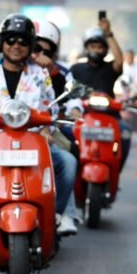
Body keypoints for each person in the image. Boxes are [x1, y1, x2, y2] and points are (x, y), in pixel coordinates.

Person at [0, 14, 78, 238]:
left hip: (33, 142)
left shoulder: (40, 74)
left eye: (22, 41)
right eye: (11, 40)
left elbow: (51, 104)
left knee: (68, 162)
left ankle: (57, 215)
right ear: (2, 43)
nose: (16, 46)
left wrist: (48, 127)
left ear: (30, 45)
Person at [30, 19, 80, 236]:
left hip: (51, 127)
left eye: (44, 50)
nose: (38, 54)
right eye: (34, 47)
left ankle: (63, 212)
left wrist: (51, 70)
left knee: (70, 152)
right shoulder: (11, 70)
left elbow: (71, 98)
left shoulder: (60, 73)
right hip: (11, 130)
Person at [69, 15, 131, 169]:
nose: (96, 50)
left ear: (106, 49)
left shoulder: (110, 68)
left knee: (125, 133)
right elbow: (68, 92)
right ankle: (76, 171)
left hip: (110, 117)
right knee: (67, 136)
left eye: (100, 47)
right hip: (82, 116)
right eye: (93, 46)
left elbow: (119, 61)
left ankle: (115, 169)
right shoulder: (76, 69)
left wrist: (109, 34)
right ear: (86, 48)